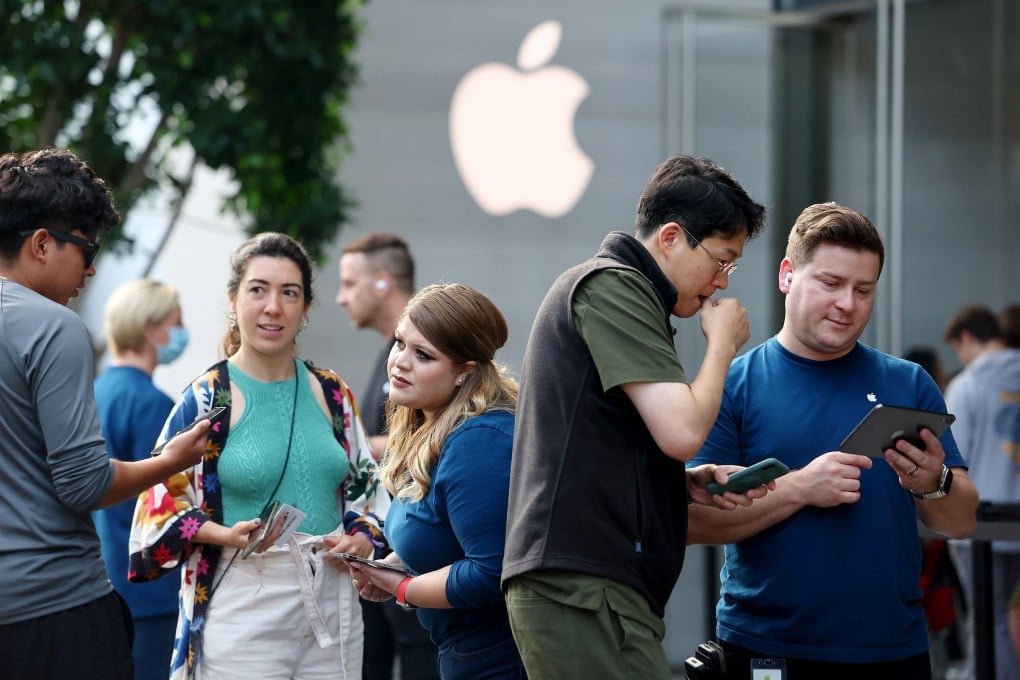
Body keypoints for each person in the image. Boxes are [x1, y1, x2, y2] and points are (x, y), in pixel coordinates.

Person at [502, 154, 769, 679]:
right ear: (670, 238)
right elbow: (685, 431)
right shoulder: (614, 286)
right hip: (582, 586)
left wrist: (679, 484)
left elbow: (611, 436)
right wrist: (721, 346)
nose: (721, 282)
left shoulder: (623, 290)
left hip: (591, 586)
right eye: (721, 260)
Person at [686, 202, 979, 679]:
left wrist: (934, 481)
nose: (848, 303)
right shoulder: (733, 384)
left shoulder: (909, 383)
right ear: (788, 275)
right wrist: (800, 488)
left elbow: (962, 521)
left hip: (891, 651)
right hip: (766, 650)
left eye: (864, 290)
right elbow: (692, 521)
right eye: (830, 283)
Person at [127, 232, 390, 680]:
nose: (274, 306)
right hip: (243, 592)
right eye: (258, 289)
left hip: (330, 593)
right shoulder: (207, 397)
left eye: (290, 293)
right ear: (233, 300)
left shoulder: (332, 392)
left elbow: (370, 488)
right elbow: (157, 508)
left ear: (306, 308)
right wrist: (223, 534)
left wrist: (363, 537)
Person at [0, 147, 209, 679]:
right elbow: (84, 483)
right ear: (41, 244)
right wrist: (170, 460)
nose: (91, 269)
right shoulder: (53, 326)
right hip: (55, 609)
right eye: (86, 248)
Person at [347, 283, 525, 680]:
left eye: (423, 355)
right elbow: (446, 539)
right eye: (399, 343)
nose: (400, 362)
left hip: (496, 658)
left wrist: (403, 589)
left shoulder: (478, 440)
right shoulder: (429, 423)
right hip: (463, 651)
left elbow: (490, 571)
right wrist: (396, 565)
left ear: (464, 371)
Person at [337, 233, 441, 680]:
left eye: (349, 283)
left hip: (422, 561)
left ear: (382, 284)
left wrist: (347, 445)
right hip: (386, 554)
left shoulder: (425, 358)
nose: (341, 298)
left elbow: (435, 436)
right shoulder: (389, 356)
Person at [93, 279, 190, 680]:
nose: (182, 331)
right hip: (150, 588)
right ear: (151, 329)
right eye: (176, 321)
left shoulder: (94, 391)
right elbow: (172, 502)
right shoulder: (154, 406)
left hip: (103, 576)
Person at [943, 304, 1020, 680]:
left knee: (987, 619)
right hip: (1016, 518)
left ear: (968, 338)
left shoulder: (968, 385)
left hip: (979, 522)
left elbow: (953, 459)